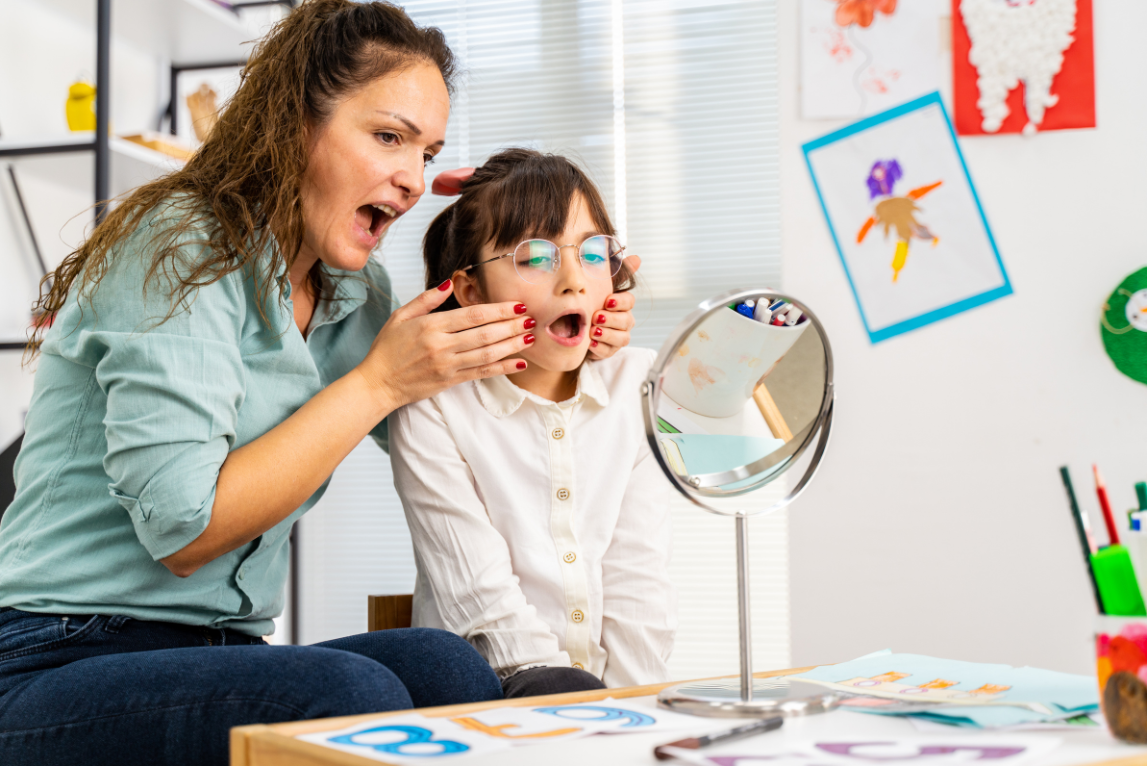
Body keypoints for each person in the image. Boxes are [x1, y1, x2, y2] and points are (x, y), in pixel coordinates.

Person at [0, 2, 637, 764]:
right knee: (352, 699)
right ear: (293, 122)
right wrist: (376, 383)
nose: (410, 179)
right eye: (389, 137)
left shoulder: (352, 292)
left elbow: (456, 431)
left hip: (221, 648)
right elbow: (184, 532)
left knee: (449, 668)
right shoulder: (176, 246)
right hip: (60, 654)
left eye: (427, 153)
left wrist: (562, 315)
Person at [390, 149, 676, 699]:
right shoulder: (434, 403)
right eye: (535, 257)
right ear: (470, 290)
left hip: (608, 712)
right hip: (480, 697)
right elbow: (477, 594)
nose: (573, 280)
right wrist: (576, 708)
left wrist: (636, 713)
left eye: (593, 253)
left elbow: (640, 582)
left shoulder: (638, 384)